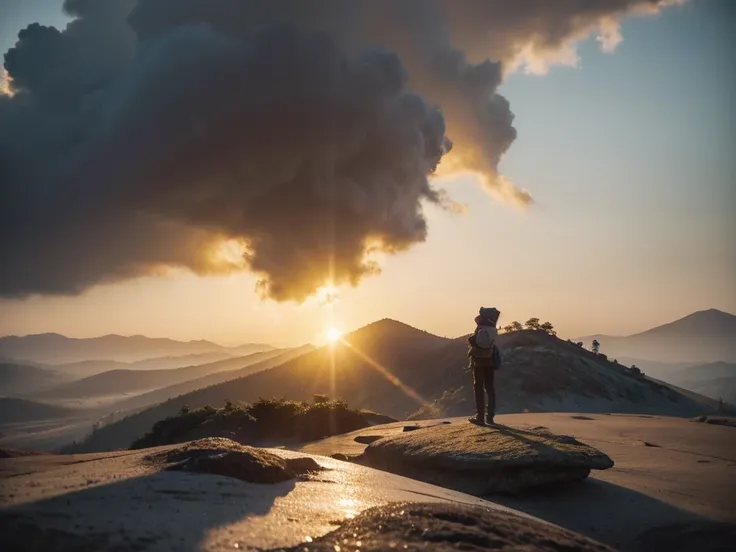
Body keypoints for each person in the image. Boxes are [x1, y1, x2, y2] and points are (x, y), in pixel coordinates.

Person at [467, 307, 502, 425]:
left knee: (478, 388)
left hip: (479, 362)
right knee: (490, 388)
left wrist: (471, 339)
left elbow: (474, 341)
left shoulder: (480, 327)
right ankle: (490, 417)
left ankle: (480, 417)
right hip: (490, 361)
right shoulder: (493, 328)